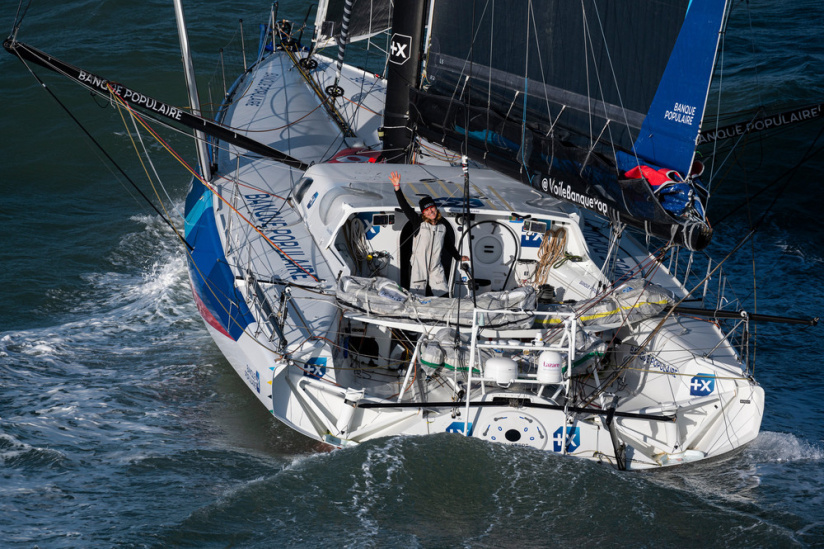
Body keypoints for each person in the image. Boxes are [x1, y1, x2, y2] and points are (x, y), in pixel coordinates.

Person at [390, 171, 469, 296]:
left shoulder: (442, 227)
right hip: (419, 267)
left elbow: (448, 245)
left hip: (436, 267)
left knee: (443, 293)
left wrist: (458, 257)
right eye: (427, 210)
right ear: (423, 213)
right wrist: (397, 188)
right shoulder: (418, 223)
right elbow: (405, 207)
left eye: (432, 208)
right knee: (417, 295)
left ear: (436, 208)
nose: (430, 211)